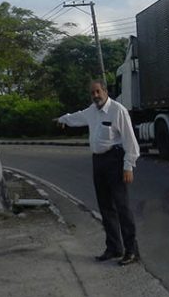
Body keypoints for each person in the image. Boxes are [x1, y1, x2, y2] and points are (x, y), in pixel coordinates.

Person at [55, 79, 140, 266]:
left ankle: (131, 251)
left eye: (98, 92)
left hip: (115, 161)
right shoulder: (91, 111)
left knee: (122, 207)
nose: (95, 96)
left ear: (105, 91)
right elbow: (76, 117)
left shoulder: (118, 110)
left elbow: (130, 141)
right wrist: (62, 119)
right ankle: (114, 248)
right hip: (98, 162)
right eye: (92, 93)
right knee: (105, 207)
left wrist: (128, 166)